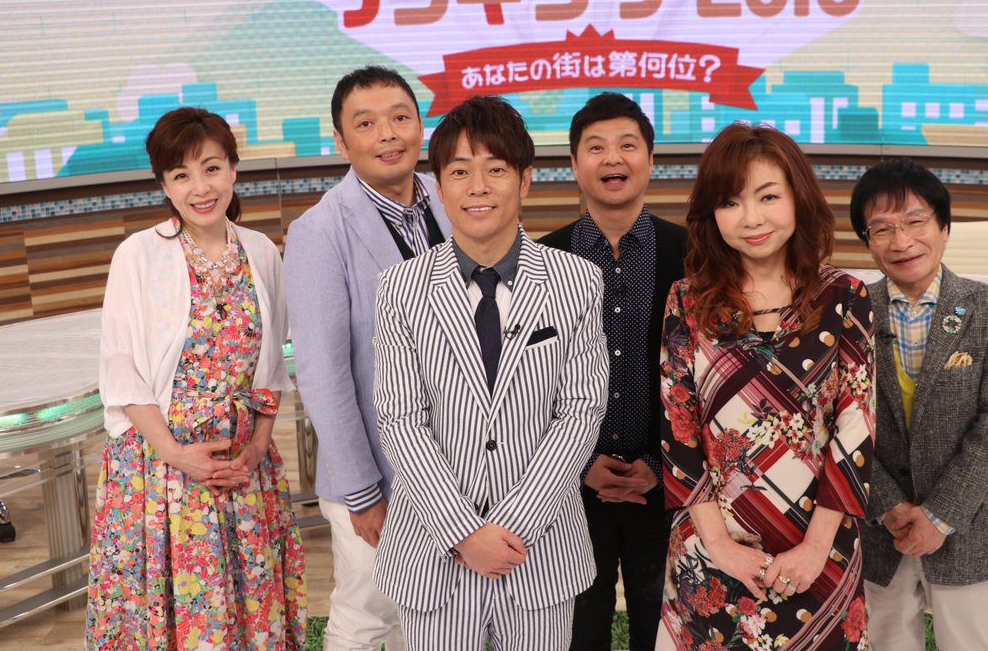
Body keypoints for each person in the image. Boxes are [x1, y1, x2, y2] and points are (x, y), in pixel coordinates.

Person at [371, 95, 609, 651]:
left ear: (525, 181)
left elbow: (581, 411)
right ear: (439, 187)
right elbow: (400, 419)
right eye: (459, 172)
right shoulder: (399, 288)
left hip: (540, 552)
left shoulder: (577, 281)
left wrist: (514, 523)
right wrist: (463, 533)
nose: (477, 187)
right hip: (434, 553)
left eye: (495, 169)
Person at [87, 107, 305, 649]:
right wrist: (177, 454)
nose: (200, 187)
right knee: (168, 619)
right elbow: (121, 368)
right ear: (164, 185)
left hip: (241, 469)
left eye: (211, 168)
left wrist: (257, 447)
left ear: (233, 170)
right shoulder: (138, 255)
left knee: (247, 612)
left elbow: (271, 365)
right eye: (181, 174)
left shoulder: (261, 251)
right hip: (159, 471)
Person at [657, 123, 875, 650]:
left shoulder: (845, 296)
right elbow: (678, 431)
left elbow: (855, 428)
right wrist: (719, 546)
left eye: (768, 196)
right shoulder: (687, 300)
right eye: (730, 203)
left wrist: (815, 549)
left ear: (799, 197)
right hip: (712, 548)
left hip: (820, 548)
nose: (751, 218)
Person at [283, 66, 450, 651]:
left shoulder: (450, 200)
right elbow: (323, 375)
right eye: (366, 123)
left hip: (456, 467)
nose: (388, 134)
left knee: (433, 618)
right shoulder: (318, 231)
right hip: (379, 474)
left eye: (400, 117)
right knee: (367, 617)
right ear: (340, 140)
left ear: (421, 126)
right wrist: (361, 491)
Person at [849, 158, 988, 651]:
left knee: (967, 641)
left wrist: (940, 516)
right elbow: (843, 423)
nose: (901, 241)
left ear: (944, 227)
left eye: (915, 221)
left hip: (969, 521)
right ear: (867, 241)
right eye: (882, 228)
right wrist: (889, 505)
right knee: (887, 639)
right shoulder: (852, 311)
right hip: (882, 525)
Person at [538, 92, 687, 651]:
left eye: (627, 145)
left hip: (669, 486)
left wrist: (660, 466)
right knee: (578, 630)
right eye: (595, 147)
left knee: (665, 627)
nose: (612, 159)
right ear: (574, 164)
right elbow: (530, 384)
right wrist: (579, 465)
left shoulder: (695, 254)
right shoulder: (541, 261)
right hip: (568, 490)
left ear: (651, 159)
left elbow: (708, 378)